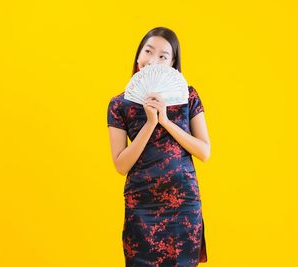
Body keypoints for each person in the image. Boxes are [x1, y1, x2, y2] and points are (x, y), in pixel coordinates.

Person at [107, 26, 210, 267]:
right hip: (142, 204)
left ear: (173, 65)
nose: (152, 60)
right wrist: (150, 123)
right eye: (148, 51)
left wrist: (165, 120)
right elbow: (121, 165)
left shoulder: (188, 96)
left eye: (163, 56)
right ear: (138, 56)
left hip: (183, 202)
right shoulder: (119, 104)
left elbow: (204, 151)